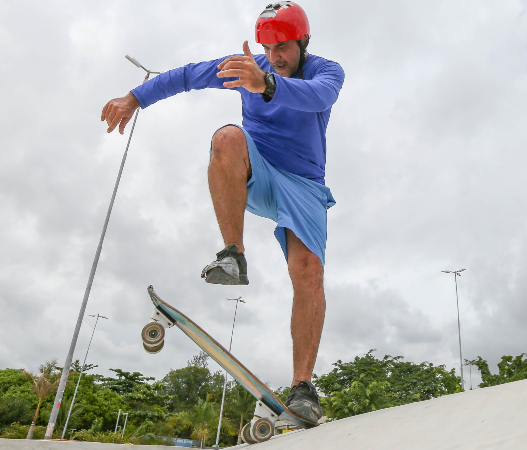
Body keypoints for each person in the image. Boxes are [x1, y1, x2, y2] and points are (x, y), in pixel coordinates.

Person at [101, 1, 344, 424]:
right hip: (258, 172)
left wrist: (264, 83)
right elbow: (186, 76)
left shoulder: (327, 71)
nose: (274, 57)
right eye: (267, 48)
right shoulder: (246, 66)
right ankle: (233, 253)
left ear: (304, 42)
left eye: (283, 48)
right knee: (229, 137)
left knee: (309, 272)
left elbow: (318, 96)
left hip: (304, 184)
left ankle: (303, 387)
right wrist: (134, 98)